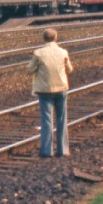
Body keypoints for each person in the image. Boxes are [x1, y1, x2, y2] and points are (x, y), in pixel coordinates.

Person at [27, 28, 73, 158]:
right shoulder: (63, 52)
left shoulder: (38, 53)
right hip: (61, 89)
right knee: (62, 119)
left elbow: (29, 70)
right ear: (56, 38)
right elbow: (70, 69)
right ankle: (63, 150)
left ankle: (47, 151)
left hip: (45, 90)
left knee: (46, 120)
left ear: (44, 39)